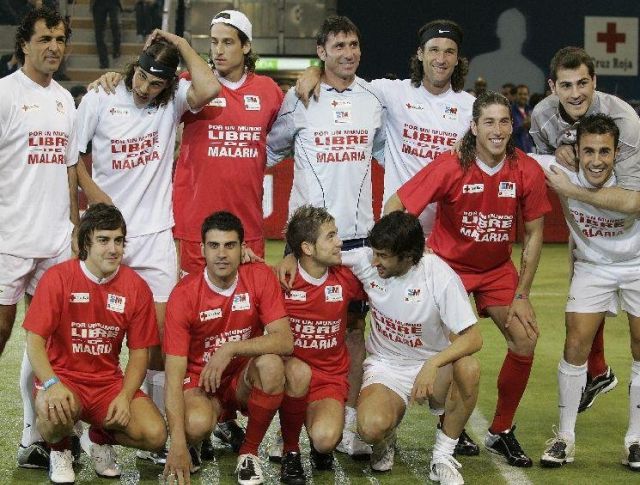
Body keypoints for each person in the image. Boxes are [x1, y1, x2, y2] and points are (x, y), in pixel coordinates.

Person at [292, 18, 479, 458]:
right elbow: (341, 76)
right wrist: (313, 71)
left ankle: (451, 425)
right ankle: (365, 415)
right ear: (420, 55)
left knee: (453, 335)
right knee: (359, 325)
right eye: (433, 50)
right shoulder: (387, 94)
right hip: (393, 241)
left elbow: (496, 145)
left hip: (445, 242)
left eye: (449, 52)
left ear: (459, 59)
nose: (441, 58)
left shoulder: (471, 108)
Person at [76, 30, 220, 465]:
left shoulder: (171, 103)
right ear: (133, 67)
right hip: (107, 235)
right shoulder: (100, 97)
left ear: (168, 83)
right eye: (141, 77)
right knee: (95, 340)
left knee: (158, 343)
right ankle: (91, 436)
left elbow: (209, 87)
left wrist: (179, 43)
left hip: (155, 235)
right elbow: (74, 157)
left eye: (155, 83)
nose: (144, 88)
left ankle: (158, 436)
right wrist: (95, 199)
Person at [386, 91, 551, 467]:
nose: (498, 130)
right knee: (456, 350)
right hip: (450, 270)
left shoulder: (526, 169)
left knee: (525, 338)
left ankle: (501, 430)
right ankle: (450, 426)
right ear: (474, 127)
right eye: (489, 122)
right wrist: (416, 252)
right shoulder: (450, 165)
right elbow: (397, 205)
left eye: (504, 121)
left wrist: (522, 294)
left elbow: (535, 233)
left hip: (496, 269)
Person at [268, 14, 384, 458]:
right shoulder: (299, 98)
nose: (348, 54)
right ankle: (285, 427)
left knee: (354, 331)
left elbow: (386, 151)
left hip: (357, 241)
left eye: (353, 45)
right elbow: (271, 149)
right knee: (294, 330)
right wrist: (287, 246)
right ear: (321, 52)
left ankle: (350, 422)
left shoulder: (373, 99)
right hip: (308, 244)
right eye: (338, 46)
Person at [22, 204, 167, 483]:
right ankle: (60, 450)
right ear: (85, 242)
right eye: (104, 240)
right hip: (64, 379)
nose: (113, 249)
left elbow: (139, 354)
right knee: (53, 413)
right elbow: (34, 341)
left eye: (118, 240)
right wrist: (51, 384)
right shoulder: (58, 278)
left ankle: (98, 437)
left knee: (155, 434)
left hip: (107, 385)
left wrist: (125, 396)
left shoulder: (136, 287)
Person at [530, 46, 640, 411]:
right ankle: (598, 371)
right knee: (582, 306)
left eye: (582, 83)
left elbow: (632, 200)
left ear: (595, 82)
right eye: (566, 85)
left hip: (631, 226)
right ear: (552, 87)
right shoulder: (543, 115)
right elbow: (551, 170)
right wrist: (561, 157)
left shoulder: (625, 121)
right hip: (589, 224)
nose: (575, 93)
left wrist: (576, 173)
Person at [340, 211, 482, 483]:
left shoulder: (438, 274)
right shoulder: (366, 260)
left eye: (383, 256)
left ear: (408, 257)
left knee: (469, 368)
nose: (374, 261)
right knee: (370, 429)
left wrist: (433, 363)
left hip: (434, 367)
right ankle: (385, 439)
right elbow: (320, 254)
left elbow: (473, 338)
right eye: (374, 252)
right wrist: (290, 258)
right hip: (386, 366)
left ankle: (442, 457)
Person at [532, 114, 640, 471]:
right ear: (575, 150)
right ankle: (564, 438)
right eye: (589, 151)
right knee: (575, 344)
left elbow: (632, 203)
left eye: (604, 152)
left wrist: (570, 190)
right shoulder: (558, 168)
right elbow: (507, 155)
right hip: (593, 265)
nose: (596, 160)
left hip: (638, 264)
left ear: (617, 153)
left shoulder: (633, 174)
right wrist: (464, 144)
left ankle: (636, 440)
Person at [0, 7, 79, 471]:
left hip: (54, 241)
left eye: (60, 39)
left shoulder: (66, 100)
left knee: (48, 342)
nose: (54, 47)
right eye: (45, 38)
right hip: (8, 239)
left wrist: (74, 228)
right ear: (24, 44)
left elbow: (69, 170)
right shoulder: (5, 94)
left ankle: (34, 436)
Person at [162, 211, 294, 485]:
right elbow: (173, 376)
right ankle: (197, 438)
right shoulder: (184, 295)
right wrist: (177, 443)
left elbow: (284, 340)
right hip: (200, 380)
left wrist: (231, 348)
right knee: (195, 424)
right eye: (214, 245)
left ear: (242, 248)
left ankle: (249, 453)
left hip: (240, 378)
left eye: (230, 245)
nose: (222, 254)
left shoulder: (259, 276)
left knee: (271, 365)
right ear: (202, 249)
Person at [173, 9, 284, 274]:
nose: (218, 50)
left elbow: (284, 139)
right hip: (194, 227)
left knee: (247, 300)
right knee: (192, 298)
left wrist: (314, 74)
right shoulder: (190, 84)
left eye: (228, 42)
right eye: (214, 42)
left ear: (246, 46)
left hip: (247, 228)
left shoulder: (269, 91)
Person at [271, 206, 366, 484]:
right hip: (289, 374)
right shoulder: (281, 280)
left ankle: (314, 440)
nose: (340, 242)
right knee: (289, 371)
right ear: (307, 248)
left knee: (325, 440)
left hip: (328, 378)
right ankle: (290, 449)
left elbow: (383, 270)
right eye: (331, 236)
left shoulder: (346, 277)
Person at [92, 0, 121, 68]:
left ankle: (116, 50)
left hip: (113, 2)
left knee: (115, 26)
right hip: (98, 3)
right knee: (99, 32)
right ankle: (104, 60)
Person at [511, 84, 532, 152]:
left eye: (525, 94)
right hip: (515, 150)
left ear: (528, 96)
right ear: (515, 96)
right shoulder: (510, 111)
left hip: (529, 149)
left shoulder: (531, 110)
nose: (523, 96)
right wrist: (523, 126)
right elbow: (508, 132)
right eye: (520, 94)